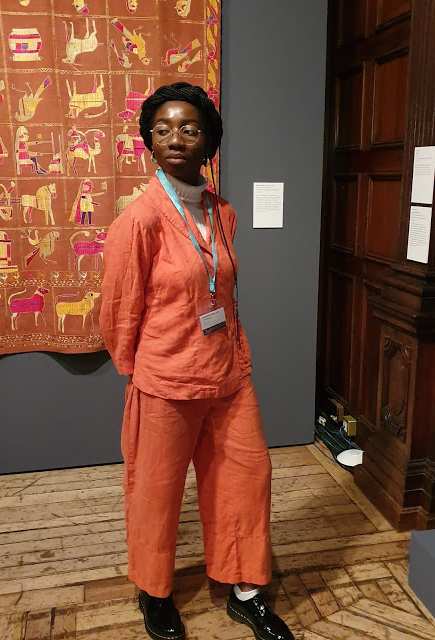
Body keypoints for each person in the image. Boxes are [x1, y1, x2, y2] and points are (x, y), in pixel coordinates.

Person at [100, 83, 293, 640]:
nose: (175, 139)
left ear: (209, 139)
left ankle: (245, 591)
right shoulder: (139, 220)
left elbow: (224, 294)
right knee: (155, 491)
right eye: (162, 129)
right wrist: (139, 370)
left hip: (229, 375)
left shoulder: (222, 211)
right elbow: (118, 306)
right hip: (165, 380)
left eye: (189, 128)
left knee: (246, 478)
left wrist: (233, 350)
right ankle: (154, 593)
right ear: (148, 142)